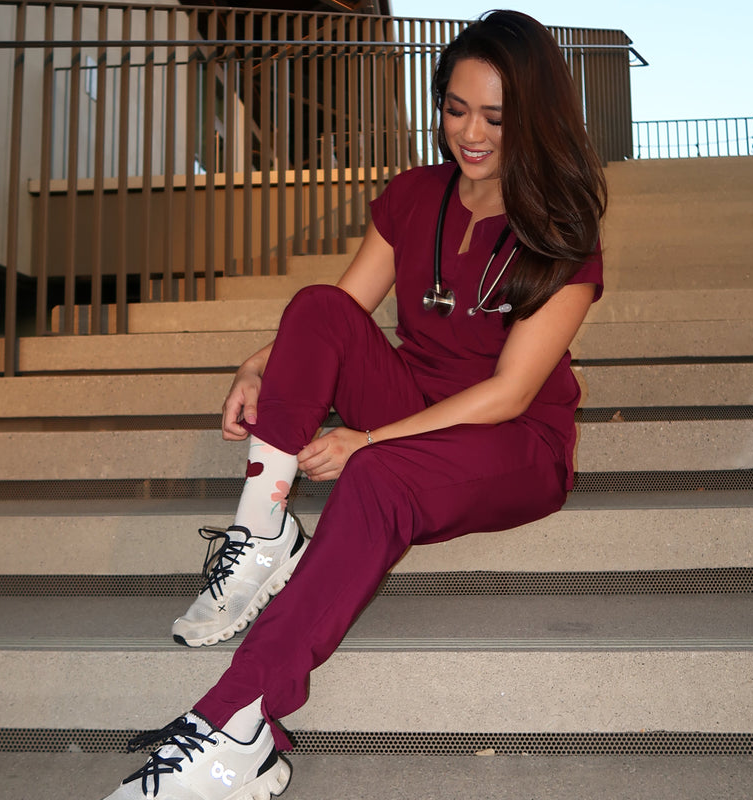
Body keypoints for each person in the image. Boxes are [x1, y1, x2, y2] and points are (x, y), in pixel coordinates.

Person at [101, 9, 606, 799]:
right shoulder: (412, 194)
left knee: (375, 482)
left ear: (533, 119)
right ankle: (264, 529)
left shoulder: (562, 232)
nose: (471, 133)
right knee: (314, 307)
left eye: (496, 117)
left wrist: (369, 439)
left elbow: (508, 394)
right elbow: (339, 310)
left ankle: (239, 723)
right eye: (455, 108)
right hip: (417, 396)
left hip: (514, 441)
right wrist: (256, 370)